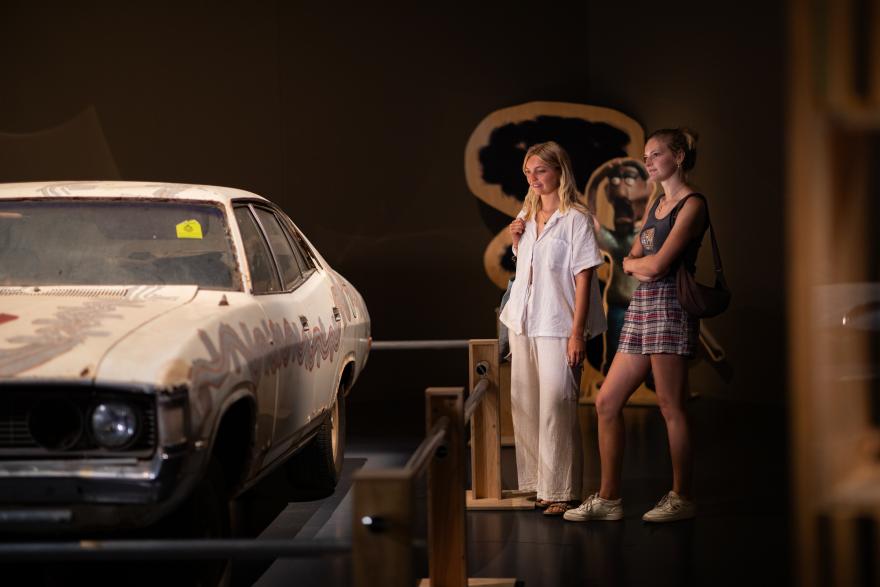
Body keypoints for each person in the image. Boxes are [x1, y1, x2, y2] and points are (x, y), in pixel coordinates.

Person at [564, 128, 707, 523]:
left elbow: (657, 265)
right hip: (642, 306)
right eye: (645, 156)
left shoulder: (693, 204)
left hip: (670, 307)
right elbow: (633, 255)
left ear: (678, 157)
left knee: (669, 405)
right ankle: (609, 499)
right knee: (607, 401)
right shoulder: (658, 203)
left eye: (655, 154)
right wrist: (636, 264)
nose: (647, 161)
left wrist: (639, 264)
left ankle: (683, 496)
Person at [499, 141, 606, 516]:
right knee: (525, 403)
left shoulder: (576, 218)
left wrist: (577, 332)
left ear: (559, 170)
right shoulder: (526, 213)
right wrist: (516, 242)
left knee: (557, 404)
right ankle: (538, 485)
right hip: (525, 320)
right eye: (528, 172)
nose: (533, 179)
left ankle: (562, 488)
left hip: (559, 322)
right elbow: (528, 266)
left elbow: (584, 277)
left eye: (540, 171)